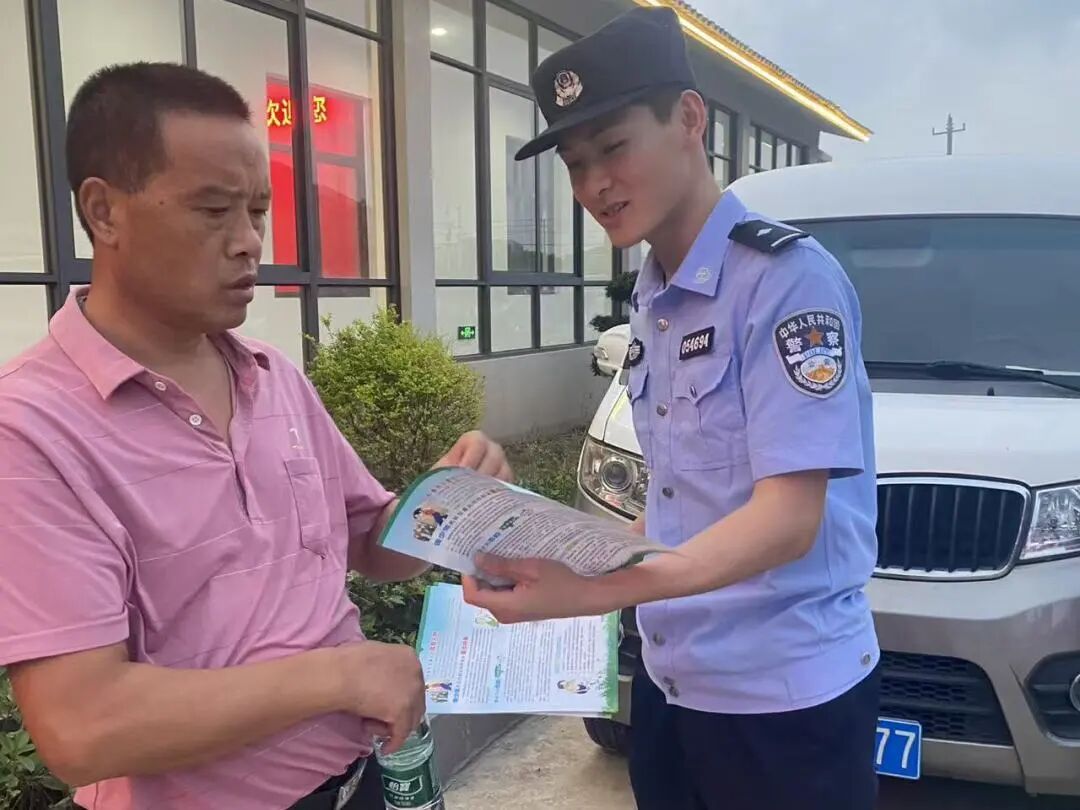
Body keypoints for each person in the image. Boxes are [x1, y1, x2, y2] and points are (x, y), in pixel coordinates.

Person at [0, 62, 511, 810]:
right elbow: (84, 727)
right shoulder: (31, 429)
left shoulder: (272, 377)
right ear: (104, 212)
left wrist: (451, 502)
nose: (248, 243)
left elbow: (370, 542)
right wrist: (340, 676)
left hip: (363, 777)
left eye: (258, 211)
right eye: (213, 211)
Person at [463, 8, 881, 810]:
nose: (593, 186)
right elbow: (681, 505)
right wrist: (552, 557)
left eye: (613, 148)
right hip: (673, 684)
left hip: (782, 703)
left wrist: (594, 593)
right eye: (576, 164)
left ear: (690, 119)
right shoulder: (654, 293)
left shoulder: (785, 281)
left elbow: (788, 520)